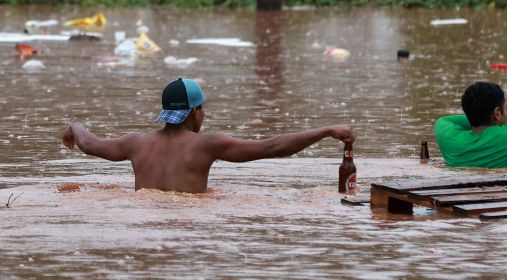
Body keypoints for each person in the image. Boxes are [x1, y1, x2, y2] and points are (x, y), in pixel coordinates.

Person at [62, 77, 355, 193]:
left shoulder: (135, 143)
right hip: (191, 222)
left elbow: (89, 144)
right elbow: (272, 147)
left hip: (145, 221)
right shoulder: (207, 144)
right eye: (202, 109)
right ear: (194, 112)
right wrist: (326, 130)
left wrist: (74, 127)